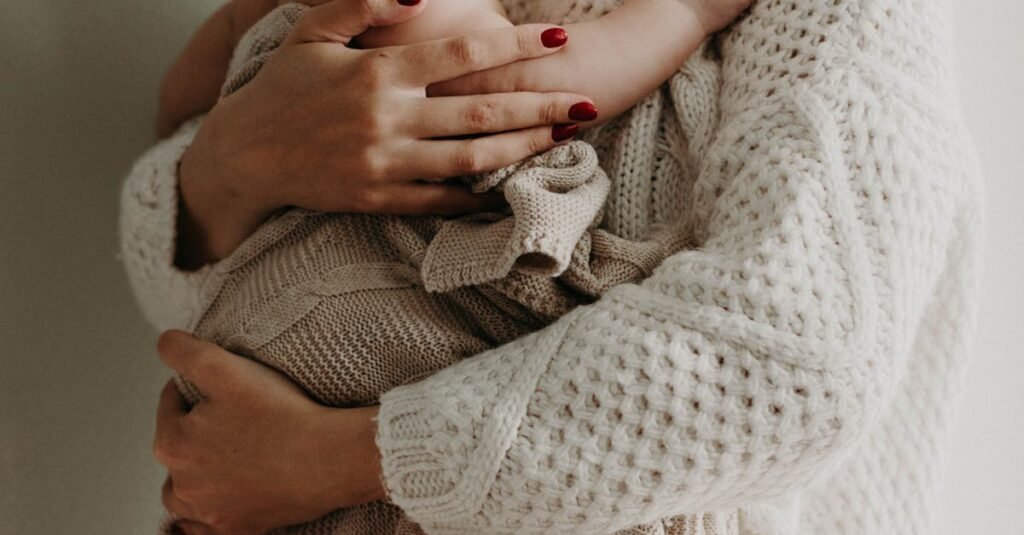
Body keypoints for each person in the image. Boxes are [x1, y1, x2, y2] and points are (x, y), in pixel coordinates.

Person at [121, 0, 983, 534]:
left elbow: (797, 362)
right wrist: (233, 160)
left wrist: (334, 458)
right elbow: (201, 296)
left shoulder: (841, 19)